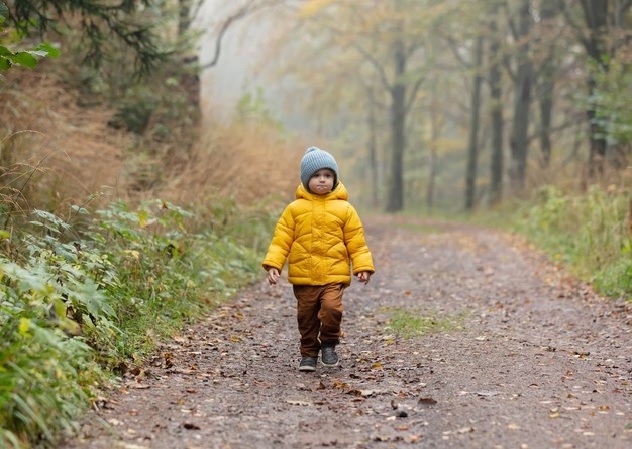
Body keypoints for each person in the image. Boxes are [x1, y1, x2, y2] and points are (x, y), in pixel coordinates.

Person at [262, 146, 375, 372]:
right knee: (306, 318)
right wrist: (274, 264)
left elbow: (356, 240)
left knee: (332, 309)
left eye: (327, 175)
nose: (322, 180)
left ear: (334, 179)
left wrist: (362, 265)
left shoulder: (345, 209)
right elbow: (281, 239)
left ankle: (330, 343)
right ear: (306, 180)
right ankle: (309, 354)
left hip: (334, 273)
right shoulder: (294, 209)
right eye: (316, 176)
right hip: (304, 276)